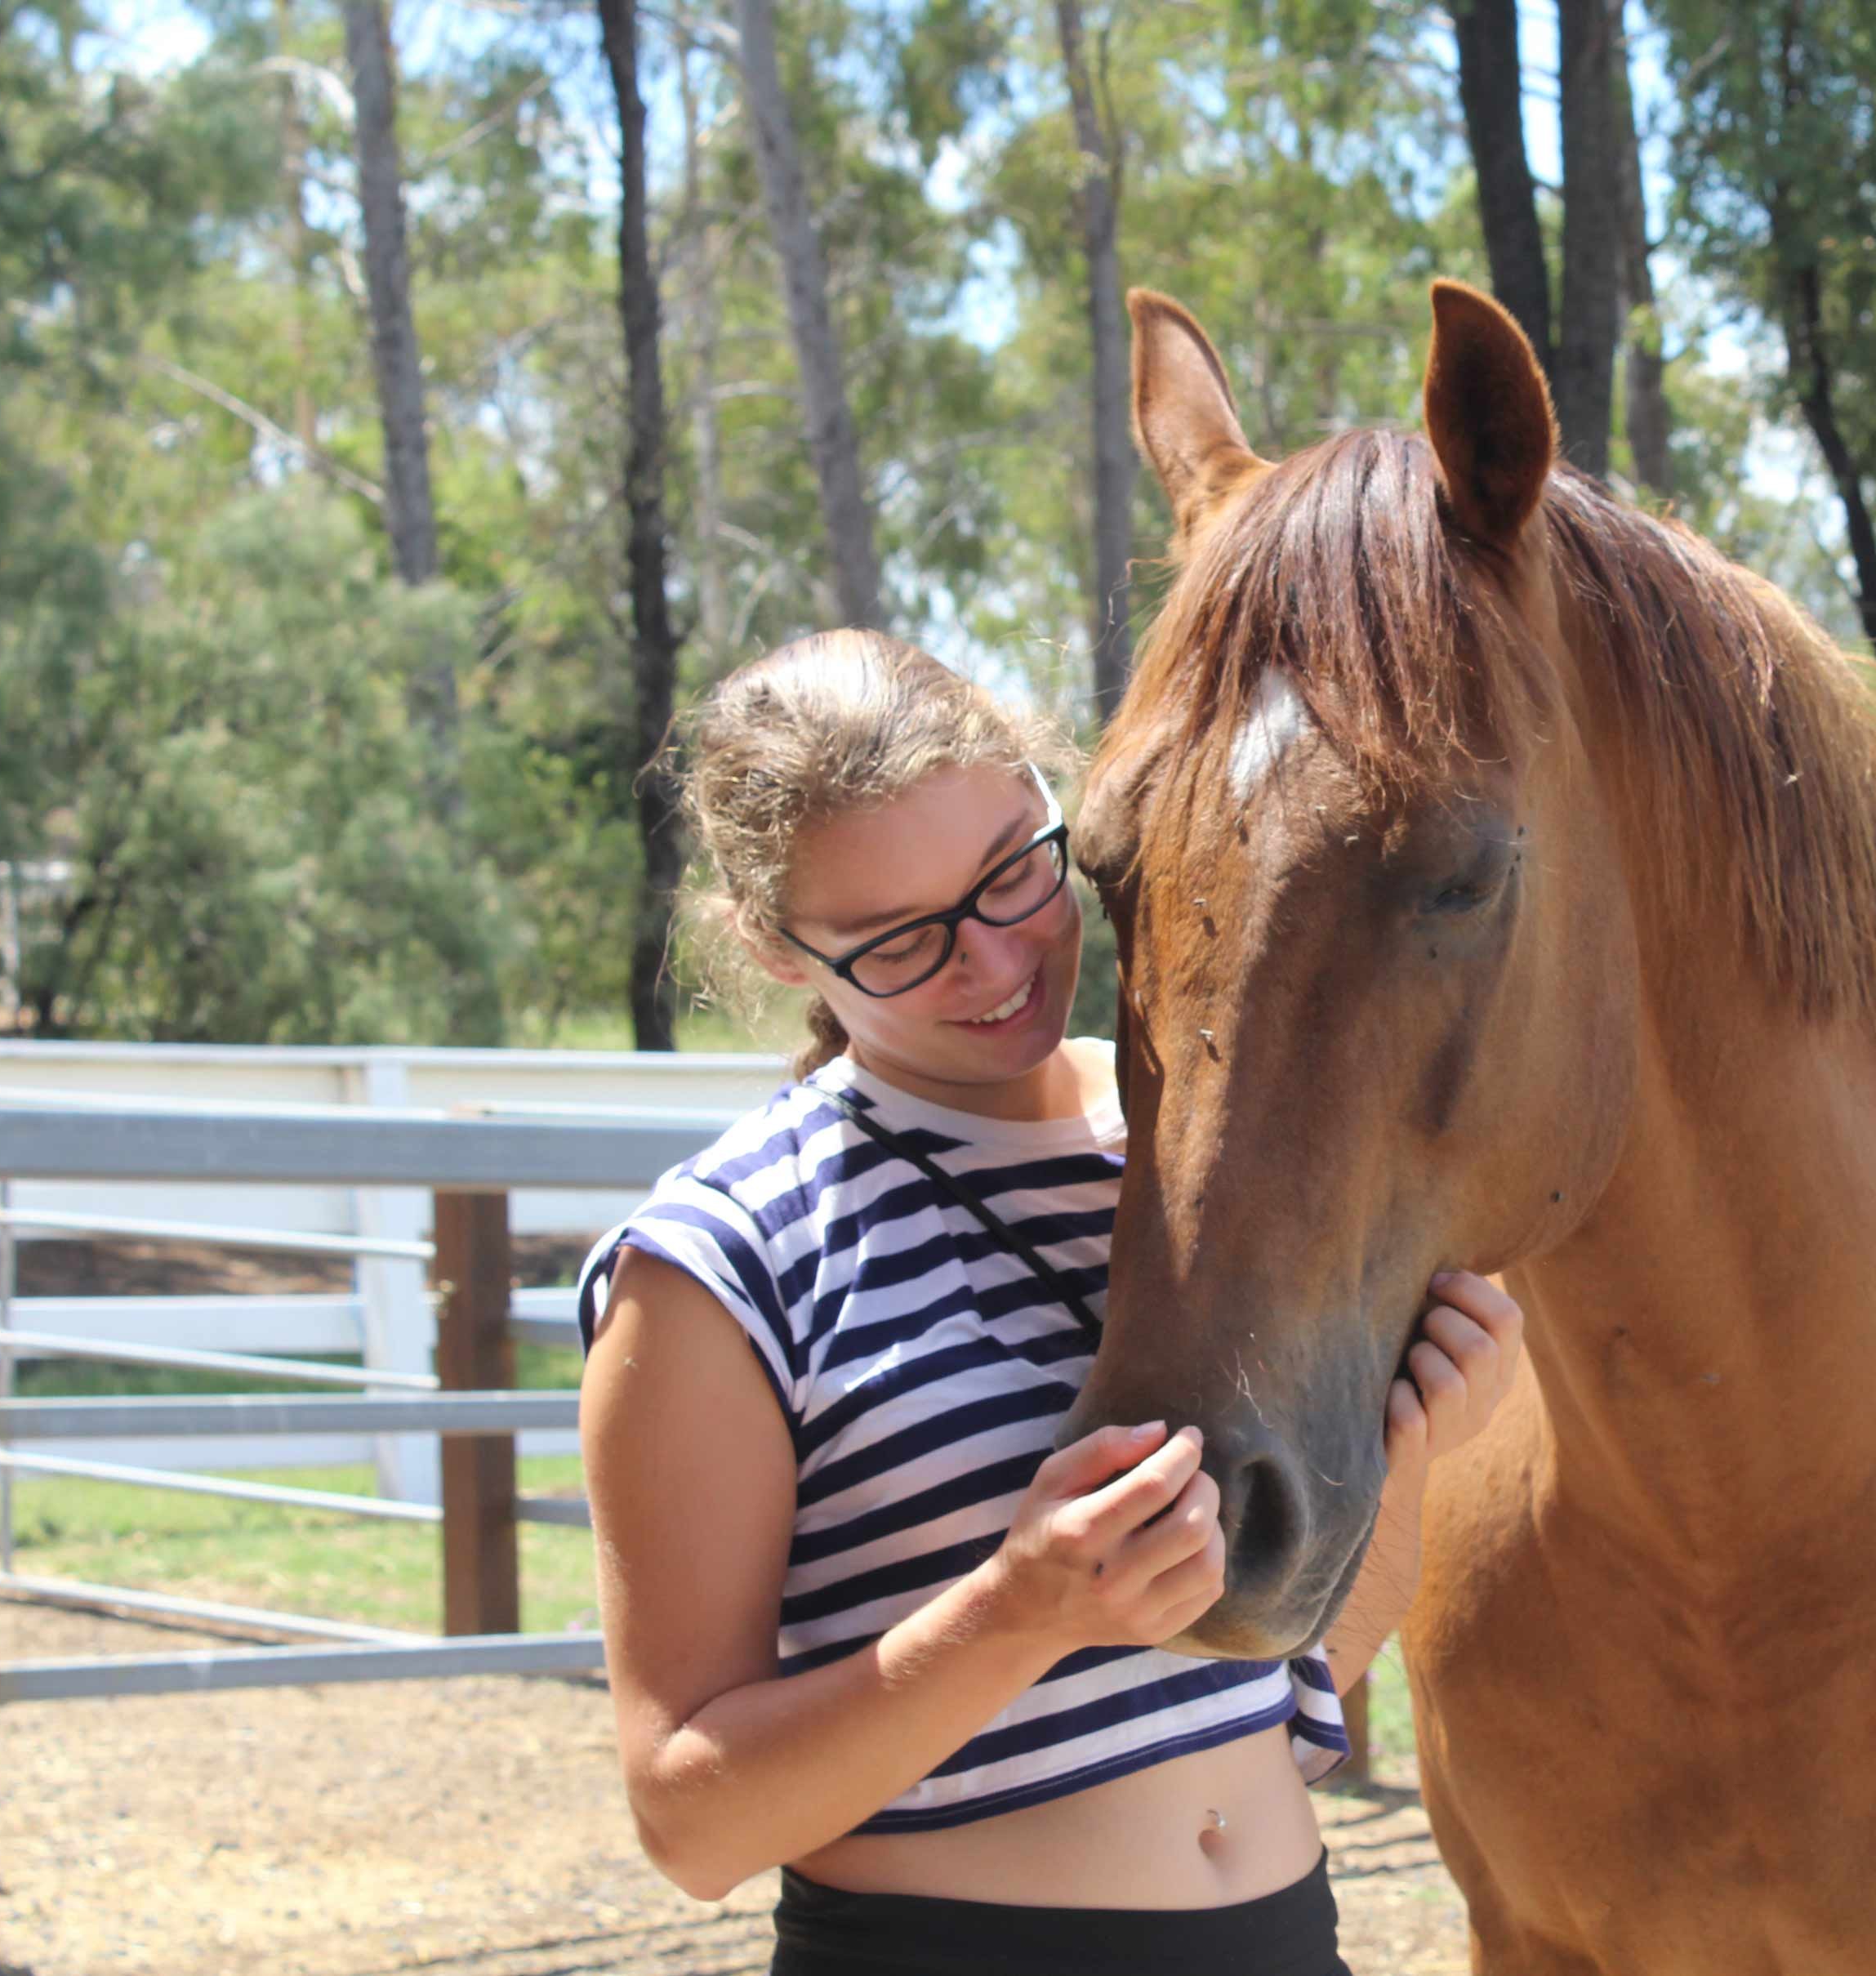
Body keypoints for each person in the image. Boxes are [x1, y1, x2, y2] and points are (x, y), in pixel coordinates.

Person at [574, 628, 1522, 1976]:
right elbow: (689, 1821)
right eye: (899, 941)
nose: (996, 960)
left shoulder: (1206, 1153)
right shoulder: (716, 1267)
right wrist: (1018, 1610)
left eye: (1015, 872)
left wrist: (1414, 1450)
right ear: (779, 952)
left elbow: (1275, 1667)